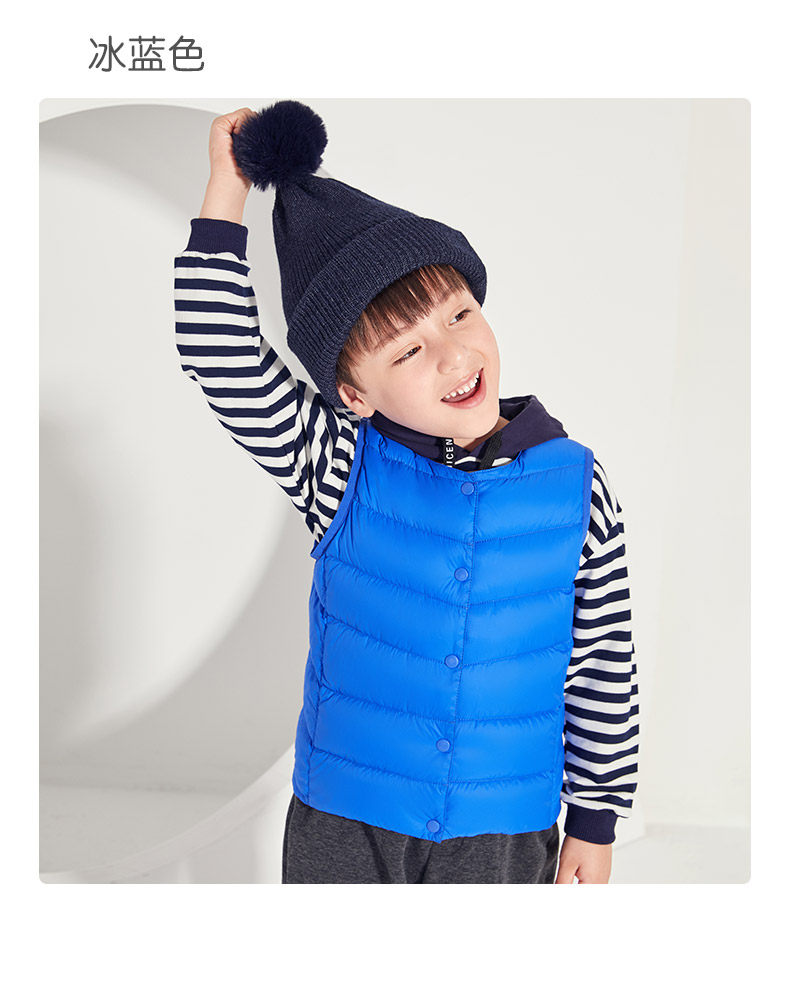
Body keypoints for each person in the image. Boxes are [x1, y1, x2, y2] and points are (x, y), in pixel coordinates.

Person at [173, 102, 640, 884]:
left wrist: (595, 819)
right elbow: (218, 352)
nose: (454, 354)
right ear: (353, 394)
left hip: (502, 828)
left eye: (459, 314)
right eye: (408, 351)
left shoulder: (575, 487)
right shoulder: (338, 464)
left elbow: (604, 666)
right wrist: (228, 190)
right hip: (346, 821)